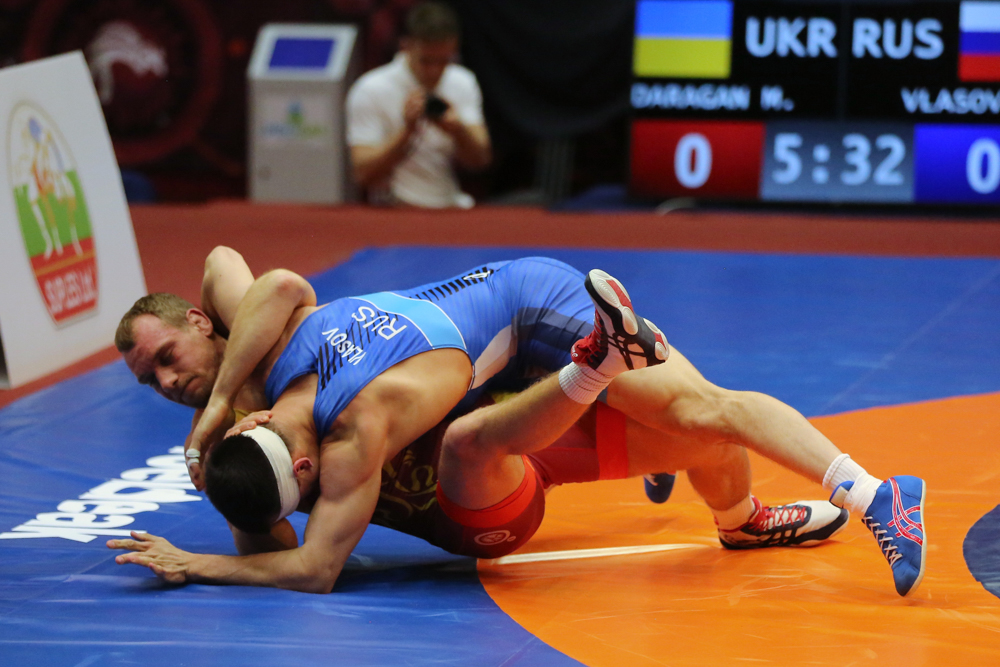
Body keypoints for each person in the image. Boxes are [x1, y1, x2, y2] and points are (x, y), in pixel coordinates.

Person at [110, 252, 925, 596]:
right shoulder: (269, 355)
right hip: (489, 373)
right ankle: (717, 497)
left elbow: (234, 265)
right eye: (152, 380)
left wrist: (200, 555)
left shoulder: (308, 392)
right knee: (668, 422)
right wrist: (218, 425)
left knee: (700, 407)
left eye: (168, 358)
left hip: (527, 312)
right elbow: (258, 279)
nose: (168, 382)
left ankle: (876, 494)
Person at [346, 1, 491, 208]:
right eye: (426, 61)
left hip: (449, 204)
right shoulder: (370, 89)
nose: (435, 71)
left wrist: (458, 130)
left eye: (444, 61)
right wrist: (407, 132)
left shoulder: (462, 81)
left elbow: (481, 159)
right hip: (393, 208)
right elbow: (362, 173)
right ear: (406, 46)